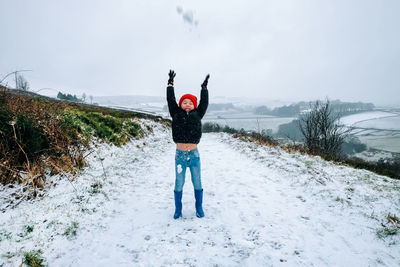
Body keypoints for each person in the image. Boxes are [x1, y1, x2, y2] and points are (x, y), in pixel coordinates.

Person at [166, 69, 209, 219]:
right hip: (180, 156)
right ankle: (178, 209)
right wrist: (170, 85)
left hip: (194, 155)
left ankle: (199, 207)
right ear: (180, 104)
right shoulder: (176, 113)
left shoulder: (198, 114)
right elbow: (171, 101)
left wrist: (204, 89)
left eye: (190, 102)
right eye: (184, 102)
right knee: (179, 183)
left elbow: (204, 103)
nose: (187, 104)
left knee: (197, 182)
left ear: (194, 105)